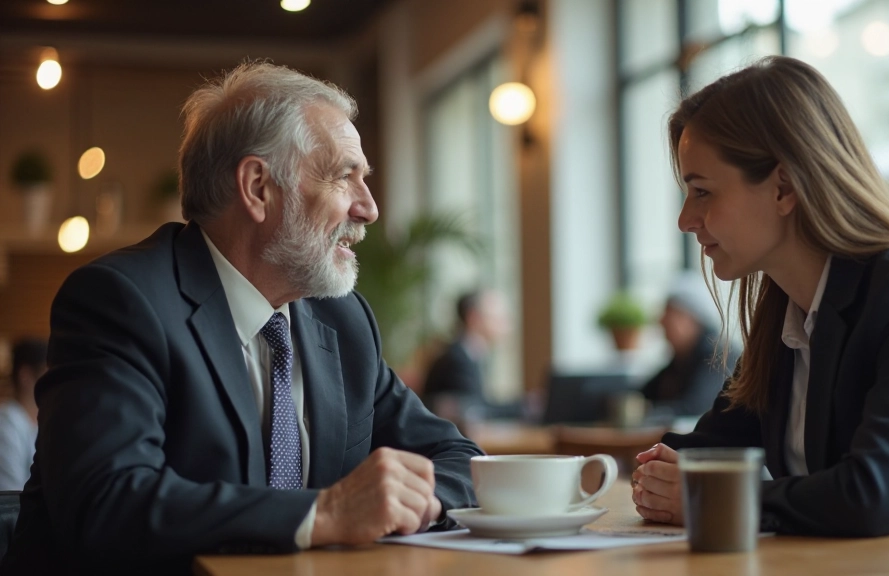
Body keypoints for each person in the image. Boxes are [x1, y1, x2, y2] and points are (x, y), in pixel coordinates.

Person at [2, 62, 483, 575]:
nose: (368, 208)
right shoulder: (122, 301)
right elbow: (108, 502)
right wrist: (325, 513)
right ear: (257, 187)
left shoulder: (342, 322)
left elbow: (458, 461)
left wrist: (409, 501)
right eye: (346, 176)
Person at [631, 56, 889, 547]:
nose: (686, 219)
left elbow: (873, 495)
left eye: (703, 191)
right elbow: (701, 455)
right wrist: (661, 475)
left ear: (785, 186)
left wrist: (716, 493)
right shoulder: (789, 315)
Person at [641, 273, 737, 416]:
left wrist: (647, 412)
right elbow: (644, 394)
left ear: (692, 319)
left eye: (669, 315)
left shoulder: (719, 356)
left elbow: (696, 408)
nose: (661, 322)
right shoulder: (681, 359)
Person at [422, 290, 516, 420]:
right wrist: (525, 407)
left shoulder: (471, 355)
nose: (507, 326)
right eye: (498, 318)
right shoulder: (456, 360)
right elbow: (475, 409)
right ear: (473, 318)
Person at [0, 338, 47, 491]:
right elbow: (10, 494)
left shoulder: (39, 423)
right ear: (25, 375)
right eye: (46, 374)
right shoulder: (6, 422)